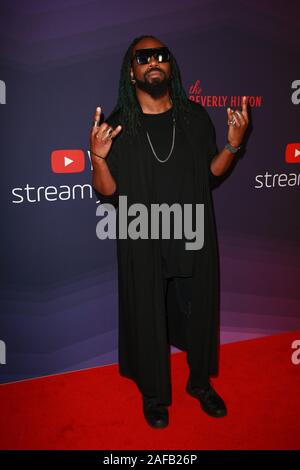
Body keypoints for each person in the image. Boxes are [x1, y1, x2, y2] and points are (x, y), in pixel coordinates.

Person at [90, 35, 249, 429]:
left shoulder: (194, 118)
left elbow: (209, 175)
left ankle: (199, 384)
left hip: (192, 232)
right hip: (142, 238)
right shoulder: (117, 126)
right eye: (143, 58)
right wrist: (97, 157)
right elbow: (107, 193)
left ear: (170, 66)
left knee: (198, 313)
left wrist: (231, 146)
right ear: (131, 71)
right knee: (147, 318)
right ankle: (154, 395)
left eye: (160, 56)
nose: (153, 62)